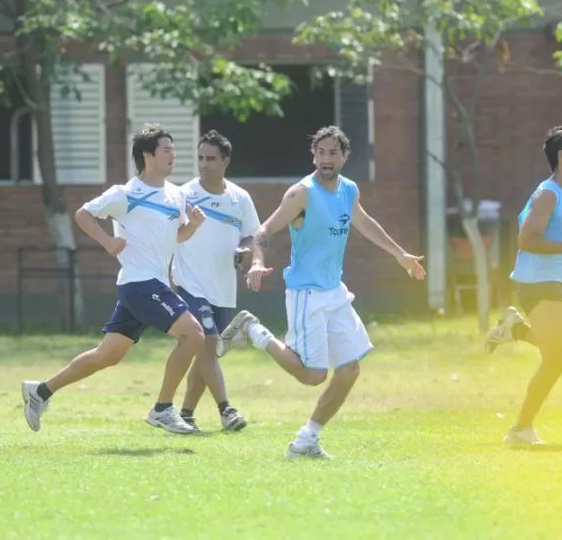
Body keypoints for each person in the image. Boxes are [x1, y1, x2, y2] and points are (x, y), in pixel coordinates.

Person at [217, 126, 426, 459]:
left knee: (349, 370)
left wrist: (399, 254)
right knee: (313, 375)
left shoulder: (349, 190)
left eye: (333, 153)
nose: (326, 159)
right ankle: (252, 330)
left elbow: (364, 221)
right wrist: (256, 263)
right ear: (313, 155)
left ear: (344, 156)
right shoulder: (301, 193)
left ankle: (306, 441)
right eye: (321, 152)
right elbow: (263, 230)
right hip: (306, 294)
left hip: (335, 292)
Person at [21, 123, 207, 435]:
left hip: (153, 284)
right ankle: (163, 409)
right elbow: (83, 214)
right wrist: (108, 242)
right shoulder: (126, 194)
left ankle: (40, 391)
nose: (174, 154)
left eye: (174, 149)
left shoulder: (176, 195)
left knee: (108, 355)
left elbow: (176, 237)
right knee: (194, 335)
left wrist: (195, 226)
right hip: (139, 283)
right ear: (148, 156)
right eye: (166, 149)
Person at [483, 124, 562, 447]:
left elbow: (555, 236)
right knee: (556, 358)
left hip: (559, 280)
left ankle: (516, 329)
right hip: (535, 283)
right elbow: (526, 239)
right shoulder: (548, 194)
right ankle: (520, 430)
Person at [172, 130, 259, 433]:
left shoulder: (240, 198)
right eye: (200, 158)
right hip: (190, 285)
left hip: (223, 288)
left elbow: (252, 234)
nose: (204, 164)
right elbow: (169, 235)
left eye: (211, 159)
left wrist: (247, 252)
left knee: (206, 353)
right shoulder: (183, 195)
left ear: (225, 162)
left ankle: (185, 413)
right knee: (208, 345)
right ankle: (226, 410)